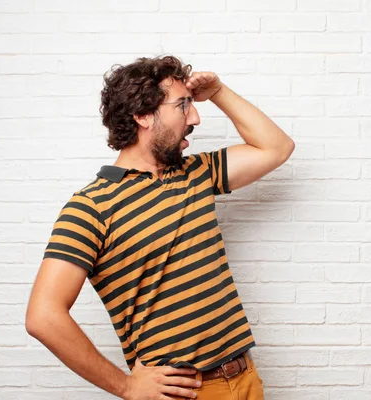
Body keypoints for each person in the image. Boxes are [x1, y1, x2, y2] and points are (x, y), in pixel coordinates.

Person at [25, 55, 295, 400]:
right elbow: (43, 315)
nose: (194, 117)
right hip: (185, 394)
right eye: (183, 105)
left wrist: (218, 92)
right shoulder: (91, 207)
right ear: (142, 115)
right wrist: (125, 385)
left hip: (245, 379)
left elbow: (276, 147)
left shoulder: (196, 173)